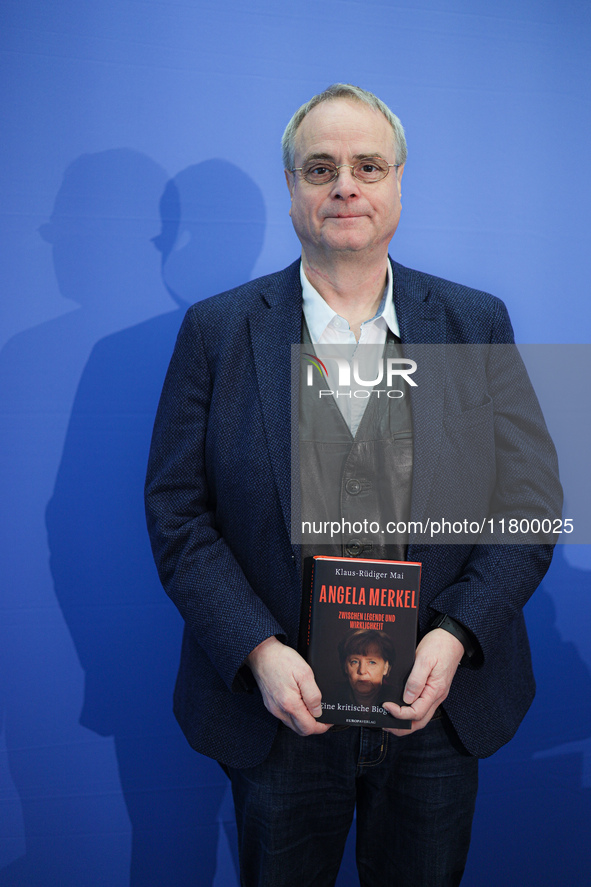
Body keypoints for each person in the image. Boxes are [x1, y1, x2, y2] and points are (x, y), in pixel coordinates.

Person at [145, 84, 562, 886]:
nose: (344, 185)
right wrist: (258, 651)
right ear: (293, 188)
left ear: (398, 183)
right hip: (279, 710)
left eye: (367, 165)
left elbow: (531, 503)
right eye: (320, 167)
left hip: (434, 705)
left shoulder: (475, 322)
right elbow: (177, 512)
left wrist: (455, 634)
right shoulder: (217, 331)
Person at [338, 629, 394, 707]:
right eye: (355, 662)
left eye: (371, 662)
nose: (362, 671)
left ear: (385, 667)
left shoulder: (397, 699)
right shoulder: (329, 698)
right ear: (345, 667)